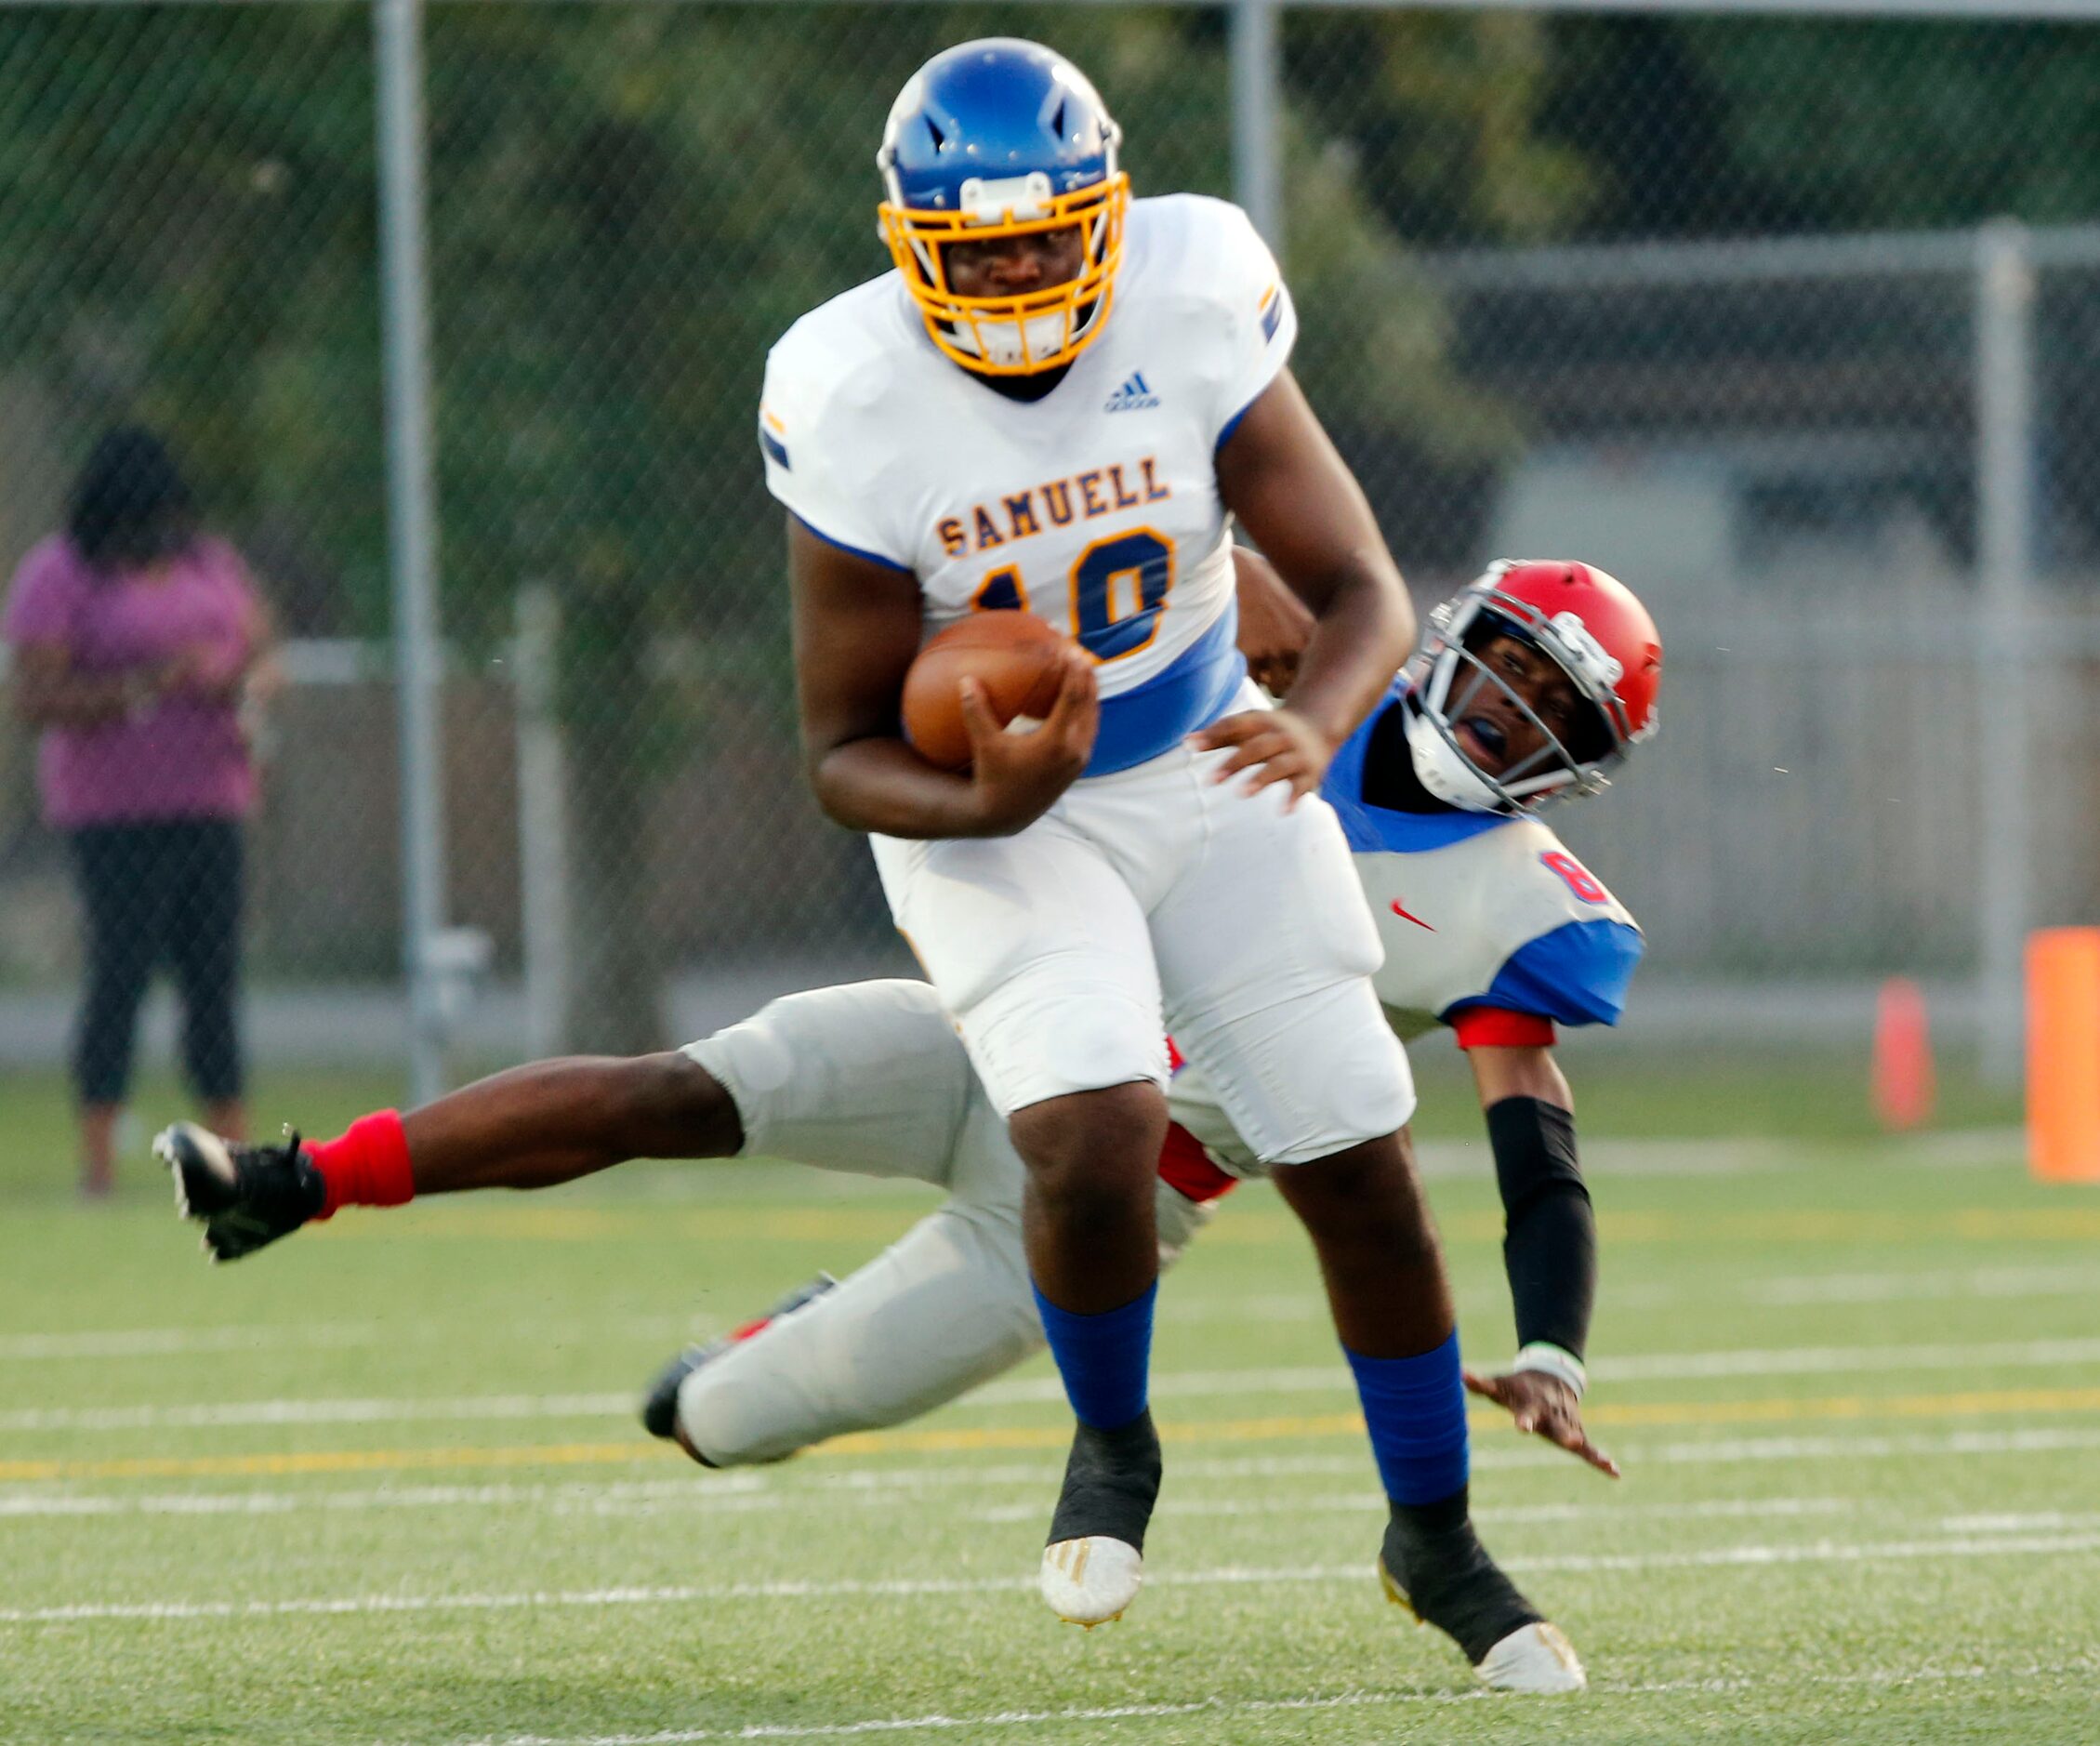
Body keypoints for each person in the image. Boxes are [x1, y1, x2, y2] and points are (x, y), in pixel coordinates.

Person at [159, 554, 1660, 1695]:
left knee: (710, 1421)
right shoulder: (1267, 684)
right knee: (667, 1088)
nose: (1501, 714)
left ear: (1575, 759)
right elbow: (1202, 558)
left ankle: (773, 1348)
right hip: (980, 1044)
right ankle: (299, 1175)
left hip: (1082, 1219)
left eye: (1546, 711)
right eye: (1503, 673)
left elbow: (1535, 1146)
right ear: (1453, 639)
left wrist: (1547, 1348)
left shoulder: (1519, 911)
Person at [766, 33, 1491, 1648]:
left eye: (1045, 234)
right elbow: (837, 751)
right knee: (1090, 1132)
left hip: (1210, 750)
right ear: (909, 245)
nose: (1022, 271)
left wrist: (1312, 725)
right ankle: (1112, 1439)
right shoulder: (848, 388)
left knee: (1356, 1161)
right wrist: (984, 801)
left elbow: (1363, 585)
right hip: (1002, 810)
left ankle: (1434, 1534)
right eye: (984, 245)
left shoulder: (1191, 283)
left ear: (1106, 213)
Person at [6, 427, 275, 1198]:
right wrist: (146, 686)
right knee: (120, 976)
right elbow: (33, 696)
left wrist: (241, 682)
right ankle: (98, 1167)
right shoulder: (59, 574)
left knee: (213, 982)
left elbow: (261, 649)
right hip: (112, 812)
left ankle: (235, 1167)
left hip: (211, 798)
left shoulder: (207, 562)